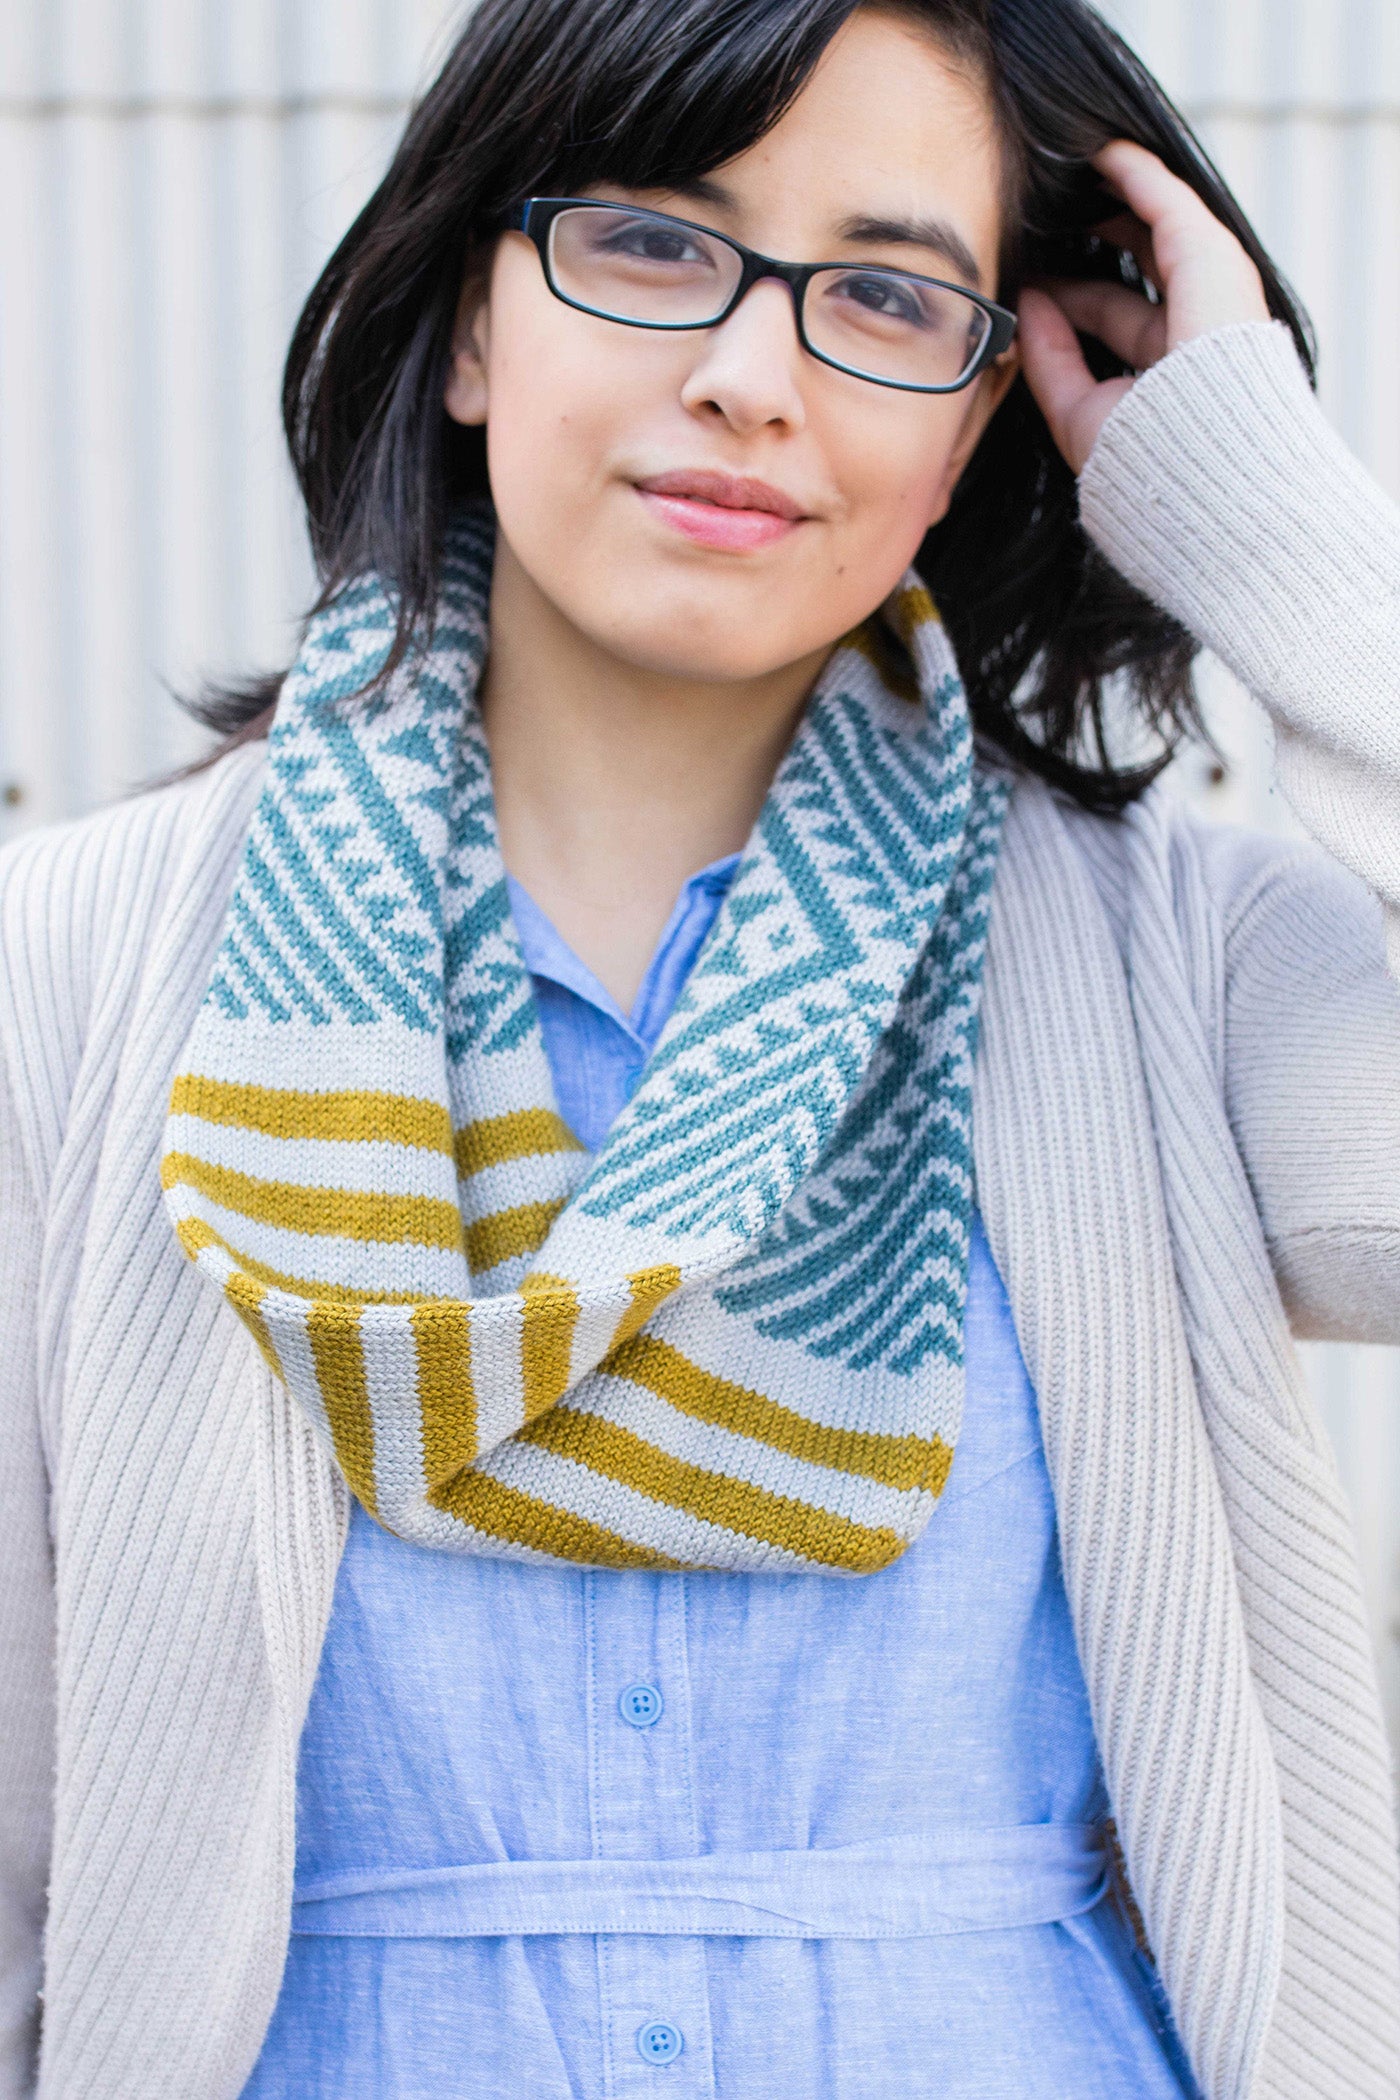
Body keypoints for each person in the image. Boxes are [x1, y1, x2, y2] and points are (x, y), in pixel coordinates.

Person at [2, 0, 1397, 2093]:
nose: (751, 378)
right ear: (470, 328)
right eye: (652, 244)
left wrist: (1275, 532)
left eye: (886, 296)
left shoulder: (1172, 966)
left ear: (981, 413)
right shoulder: (80, 969)